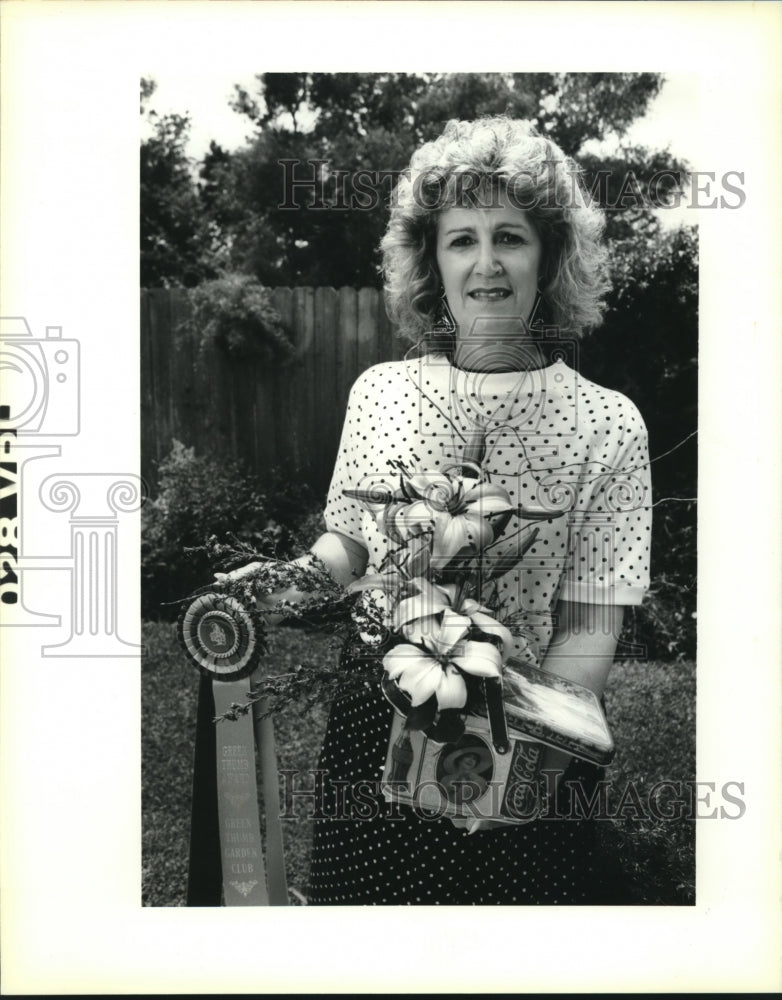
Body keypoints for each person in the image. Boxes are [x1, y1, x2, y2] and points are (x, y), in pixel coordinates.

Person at [224, 117, 651, 904]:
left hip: (526, 728)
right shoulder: (379, 391)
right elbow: (348, 549)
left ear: (550, 255)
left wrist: (529, 758)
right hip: (373, 721)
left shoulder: (609, 423)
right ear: (430, 259)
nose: (486, 263)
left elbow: (591, 622)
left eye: (510, 236)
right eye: (461, 239)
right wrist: (280, 584)